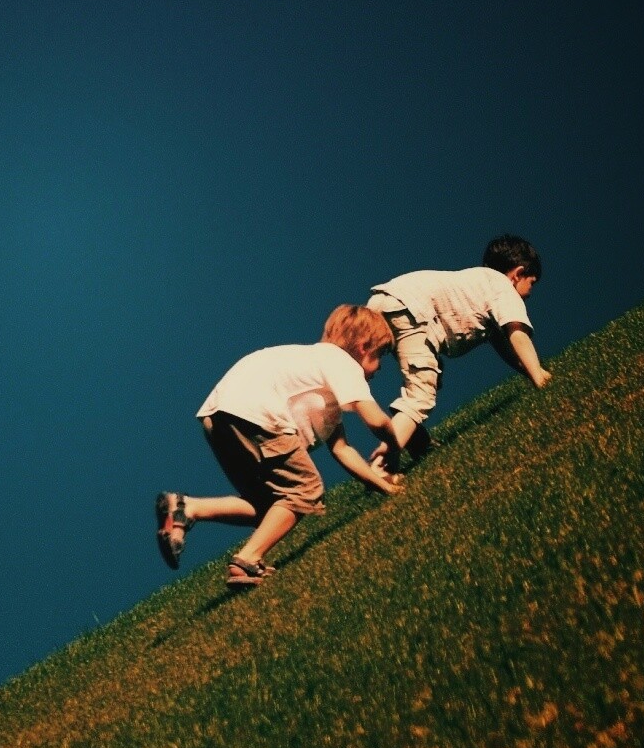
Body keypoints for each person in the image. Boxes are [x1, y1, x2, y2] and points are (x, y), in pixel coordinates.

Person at [155, 304, 404, 589]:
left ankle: (186, 508)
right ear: (363, 347)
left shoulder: (314, 371)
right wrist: (394, 447)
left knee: (271, 507)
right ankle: (247, 560)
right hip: (258, 412)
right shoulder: (341, 362)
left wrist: (384, 487)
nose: (380, 366)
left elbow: (342, 450)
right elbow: (376, 421)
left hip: (219, 415)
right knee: (305, 490)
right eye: (380, 355)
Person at [365, 234, 552, 467]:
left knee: (432, 372)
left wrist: (529, 370)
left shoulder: (480, 283)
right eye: (531, 283)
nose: (529, 293)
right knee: (420, 394)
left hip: (386, 301)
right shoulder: (503, 287)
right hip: (412, 308)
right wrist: (539, 378)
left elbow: (506, 347)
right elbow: (518, 335)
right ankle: (382, 464)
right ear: (518, 274)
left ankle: (418, 442)